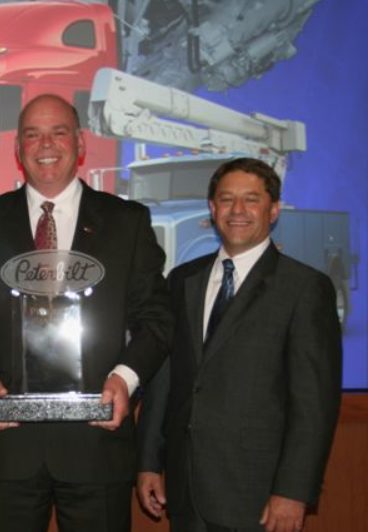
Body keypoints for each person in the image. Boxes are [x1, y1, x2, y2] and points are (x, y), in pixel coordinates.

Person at [0, 93, 172, 531]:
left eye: (58, 132)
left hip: (97, 445)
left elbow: (157, 319)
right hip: (8, 447)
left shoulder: (127, 222)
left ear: (80, 143)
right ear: (17, 149)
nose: (45, 144)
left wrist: (123, 380)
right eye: (32, 134)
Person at [136, 157, 342, 532]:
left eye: (251, 199)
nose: (238, 211)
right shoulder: (182, 280)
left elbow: (314, 403)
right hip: (186, 491)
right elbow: (165, 379)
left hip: (258, 495)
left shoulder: (304, 288)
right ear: (212, 209)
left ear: (274, 210)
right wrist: (150, 461)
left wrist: (293, 491)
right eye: (226, 199)